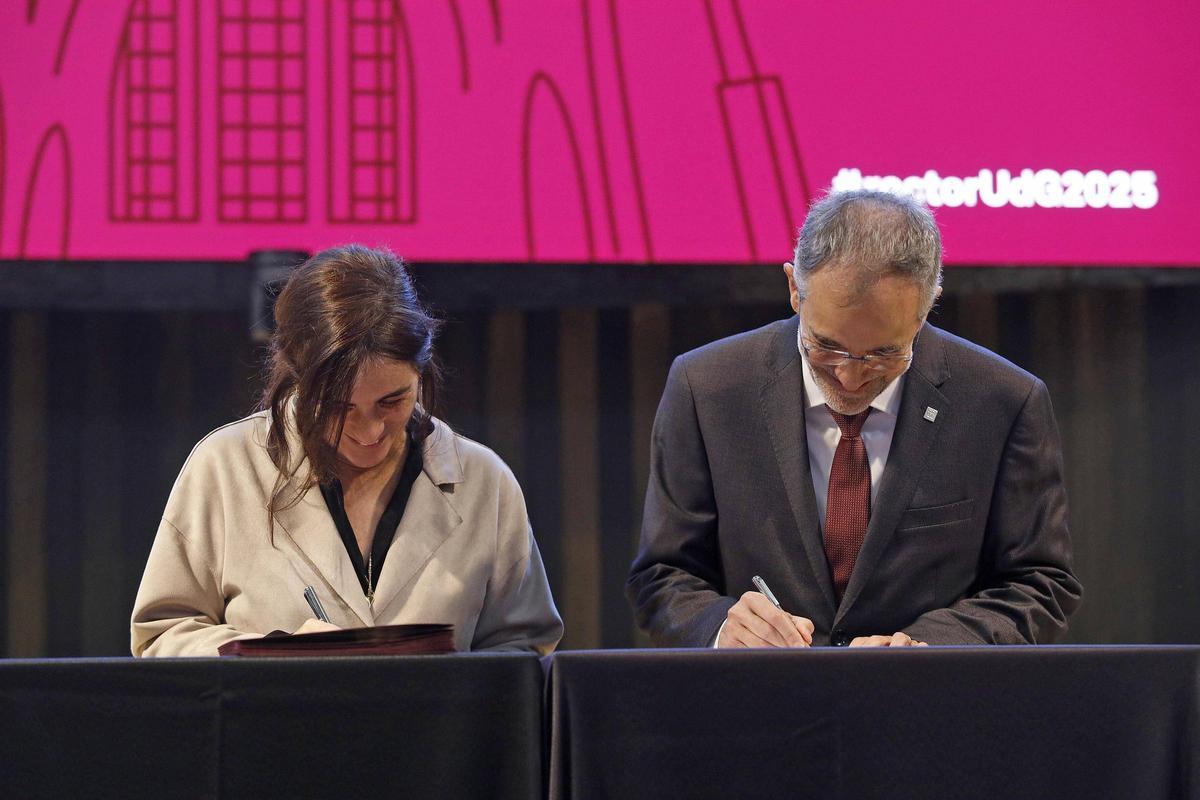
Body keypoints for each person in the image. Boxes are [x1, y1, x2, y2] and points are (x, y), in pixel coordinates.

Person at [626, 190, 1082, 648]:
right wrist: (723, 628)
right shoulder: (707, 388)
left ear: (927, 307)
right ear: (793, 289)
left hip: (928, 707)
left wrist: (930, 646)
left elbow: (1040, 584)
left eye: (884, 353)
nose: (849, 376)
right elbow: (662, 577)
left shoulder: (1002, 401)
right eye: (825, 346)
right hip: (760, 704)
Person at [132, 245, 563, 656]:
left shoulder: (483, 480)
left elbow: (525, 648)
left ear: (421, 371)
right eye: (338, 407)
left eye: (392, 401)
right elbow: (163, 634)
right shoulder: (226, 467)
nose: (369, 430)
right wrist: (271, 656)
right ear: (297, 377)